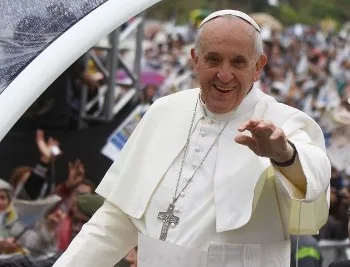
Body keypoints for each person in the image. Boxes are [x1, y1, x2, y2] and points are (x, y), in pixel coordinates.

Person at [53, 10, 331, 267]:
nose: (224, 74)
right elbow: (116, 222)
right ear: (195, 60)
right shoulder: (163, 111)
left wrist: (284, 154)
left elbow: (316, 173)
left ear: (258, 66)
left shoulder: (283, 121)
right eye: (213, 59)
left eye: (238, 62)